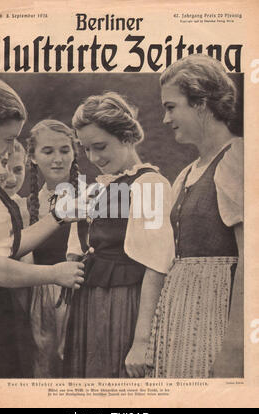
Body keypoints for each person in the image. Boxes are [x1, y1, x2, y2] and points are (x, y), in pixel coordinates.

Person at [126, 54, 243, 379]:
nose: (165, 119)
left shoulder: (239, 158)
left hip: (216, 321)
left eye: (171, 107)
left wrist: (235, 349)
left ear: (202, 102)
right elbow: (161, 260)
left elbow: (253, 261)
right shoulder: (187, 173)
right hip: (178, 319)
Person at [0, 76, 84, 378]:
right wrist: (54, 273)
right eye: (8, 139)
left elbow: (8, 245)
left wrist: (58, 216)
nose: (11, 150)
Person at [64, 92, 174, 378]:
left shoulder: (149, 184)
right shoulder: (99, 187)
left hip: (125, 304)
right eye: (86, 149)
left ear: (126, 137)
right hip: (91, 302)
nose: (93, 158)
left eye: (100, 146)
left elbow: (156, 266)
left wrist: (141, 341)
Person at [26, 119, 80, 378]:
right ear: (33, 157)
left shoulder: (92, 195)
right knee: (45, 369)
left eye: (64, 150)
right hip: (41, 300)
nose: (57, 159)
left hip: (81, 293)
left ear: (74, 152)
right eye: (48, 151)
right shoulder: (26, 205)